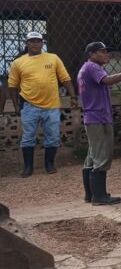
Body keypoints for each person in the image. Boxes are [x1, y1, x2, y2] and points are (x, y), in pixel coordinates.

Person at [78, 42, 121, 205]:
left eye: (106, 51)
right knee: (103, 156)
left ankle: (91, 194)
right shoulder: (92, 68)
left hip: (93, 117)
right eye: (102, 52)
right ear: (92, 54)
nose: (106, 54)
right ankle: (99, 197)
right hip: (99, 118)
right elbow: (108, 80)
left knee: (92, 156)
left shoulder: (86, 68)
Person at [7, 32, 76, 177]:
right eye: (32, 41)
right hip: (29, 105)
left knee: (53, 136)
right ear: (27, 43)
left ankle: (50, 164)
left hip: (51, 105)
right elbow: (12, 85)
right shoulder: (18, 62)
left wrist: (73, 96)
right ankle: (28, 167)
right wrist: (16, 105)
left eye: (38, 41)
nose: (35, 44)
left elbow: (65, 78)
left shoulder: (53, 58)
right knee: (28, 137)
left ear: (42, 43)